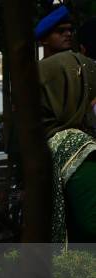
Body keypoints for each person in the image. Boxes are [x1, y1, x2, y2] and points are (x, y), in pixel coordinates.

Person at [39, 52, 96, 242]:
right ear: (75, 94)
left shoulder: (46, 142)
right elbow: (91, 223)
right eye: (92, 95)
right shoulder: (77, 147)